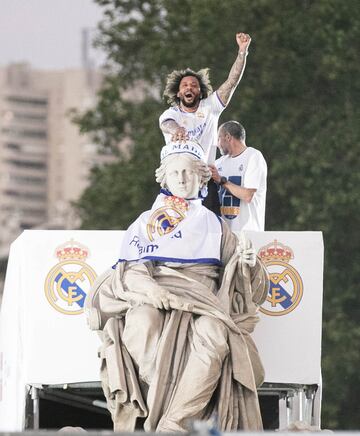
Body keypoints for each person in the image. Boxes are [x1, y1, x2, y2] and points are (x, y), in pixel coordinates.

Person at [85, 140, 269, 433]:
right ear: (165, 179)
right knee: (141, 323)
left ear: (202, 178)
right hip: (156, 296)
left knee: (215, 333)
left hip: (203, 302)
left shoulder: (217, 227)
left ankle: (174, 423)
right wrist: (155, 292)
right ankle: (166, 400)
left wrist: (248, 262)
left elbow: (245, 282)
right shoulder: (146, 223)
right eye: (175, 173)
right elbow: (130, 271)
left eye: (189, 172)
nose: (182, 178)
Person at [159, 32, 251, 213]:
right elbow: (166, 124)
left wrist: (242, 52)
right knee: (174, 228)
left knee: (212, 228)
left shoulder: (210, 107)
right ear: (178, 93)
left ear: (200, 91)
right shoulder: (171, 114)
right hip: (177, 178)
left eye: (193, 85)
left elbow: (231, 83)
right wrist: (176, 129)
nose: (189, 88)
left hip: (205, 177)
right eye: (185, 85)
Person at [209, 121, 267, 231]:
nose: (217, 144)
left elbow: (248, 196)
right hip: (224, 235)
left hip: (248, 234)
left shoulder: (253, 156)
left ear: (228, 137)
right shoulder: (219, 163)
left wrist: (222, 181)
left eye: (218, 139)